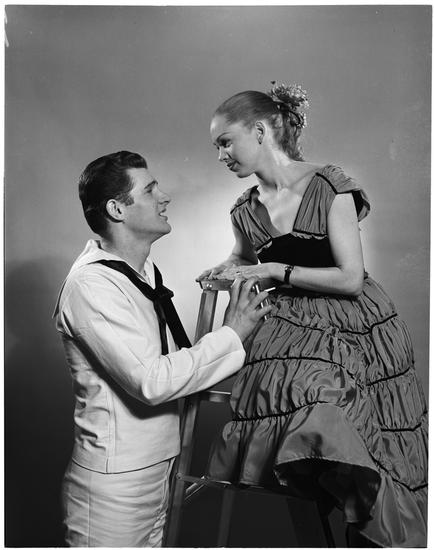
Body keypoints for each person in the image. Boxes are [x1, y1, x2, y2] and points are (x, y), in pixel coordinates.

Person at [198, 83, 427, 547]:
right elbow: (243, 256)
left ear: (259, 131)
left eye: (225, 142)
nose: (221, 155)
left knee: (348, 420)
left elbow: (351, 278)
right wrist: (226, 267)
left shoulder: (329, 186)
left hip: (356, 326)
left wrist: (273, 269)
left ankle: (369, 531)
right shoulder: (244, 210)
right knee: (302, 413)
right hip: (288, 330)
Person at [53, 150, 271, 547]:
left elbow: (169, 360)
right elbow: (152, 381)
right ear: (117, 209)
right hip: (114, 488)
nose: (164, 197)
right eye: (150, 190)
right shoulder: (91, 286)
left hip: (158, 471)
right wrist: (232, 333)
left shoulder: (142, 272)